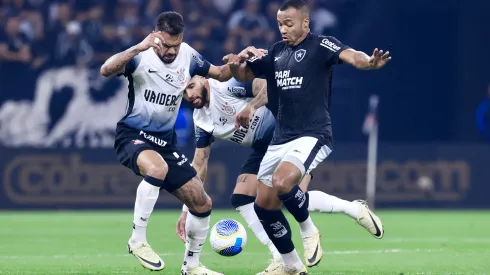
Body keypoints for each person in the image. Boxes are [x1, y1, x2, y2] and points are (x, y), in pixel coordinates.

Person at [227, 0, 391, 274]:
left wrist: (369, 62)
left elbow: (351, 55)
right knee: (264, 207)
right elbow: (243, 73)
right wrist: (234, 65)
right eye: (280, 24)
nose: (283, 29)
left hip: (313, 133)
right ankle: (292, 266)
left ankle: (309, 230)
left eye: (288, 24)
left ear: (306, 22)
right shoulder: (275, 52)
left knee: (282, 182)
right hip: (281, 138)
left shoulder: (321, 45)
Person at [175, 75, 385, 274]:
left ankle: (353, 209)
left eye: (191, 86)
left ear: (202, 79)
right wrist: (188, 208)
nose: (189, 94)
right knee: (242, 198)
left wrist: (251, 107)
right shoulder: (201, 120)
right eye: (184, 93)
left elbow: (267, 87)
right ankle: (281, 259)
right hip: (262, 148)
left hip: (287, 134)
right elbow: (200, 164)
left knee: (290, 197)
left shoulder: (226, 85)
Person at [100, 11, 232, 275]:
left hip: (165, 144)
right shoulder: (141, 55)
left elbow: (219, 73)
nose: (172, 51)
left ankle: (191, 267)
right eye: (167, 45)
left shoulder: (189, 55)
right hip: (132, 135)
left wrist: (242, 61)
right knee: (157, 169)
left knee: (202, 203)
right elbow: (105, 70)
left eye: (177, 44)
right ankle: (137, 240)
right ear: (156, 34)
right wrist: (139, 46)